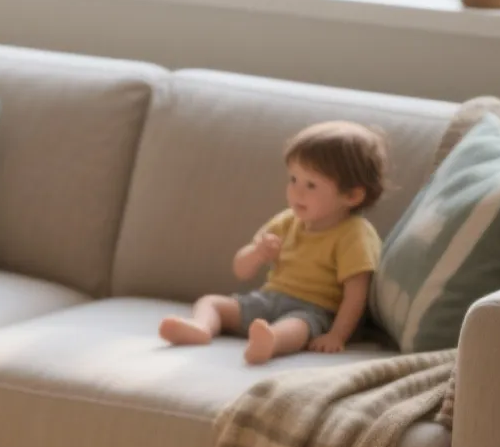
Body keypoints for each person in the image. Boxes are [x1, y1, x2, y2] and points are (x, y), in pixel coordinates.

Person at [159, 121, 388, 364]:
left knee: (296, 327)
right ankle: (201, 328)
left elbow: (356, 294)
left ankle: (272, 341)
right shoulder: (288, 221)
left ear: (351, 195)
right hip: (268, 299)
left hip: (314, 310)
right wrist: (257, 253)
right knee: (211, 302)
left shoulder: (354, 234)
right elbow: (241, 270)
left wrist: (336, 336)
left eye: (311, 185)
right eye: (293, 179)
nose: (296, 192)